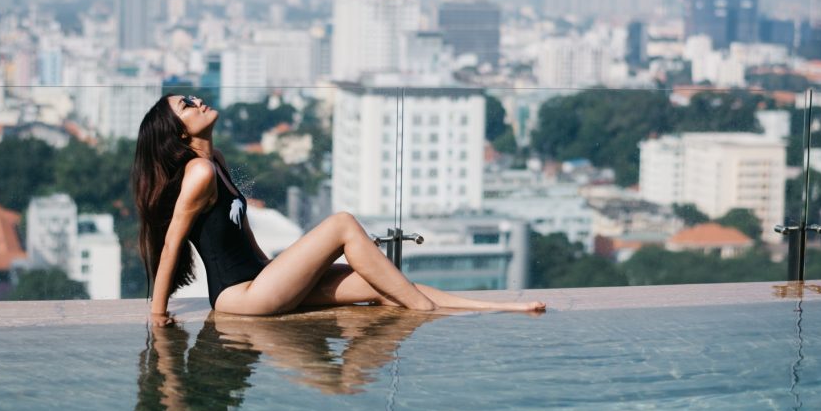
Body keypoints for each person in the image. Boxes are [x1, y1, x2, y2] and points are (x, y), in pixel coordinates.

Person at [132, 94, 546, 323]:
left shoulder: (216, 160)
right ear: (180, 133)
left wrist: (267, 262)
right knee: (343, 223)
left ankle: (499, 306)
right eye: (186, 105)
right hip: (240, 296)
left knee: (382, 286)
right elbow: (172, 245)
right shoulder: (199, 172)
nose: (197, 100)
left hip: (261, 279)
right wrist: (157, 313)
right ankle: (427, 312)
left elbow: (241, 232)